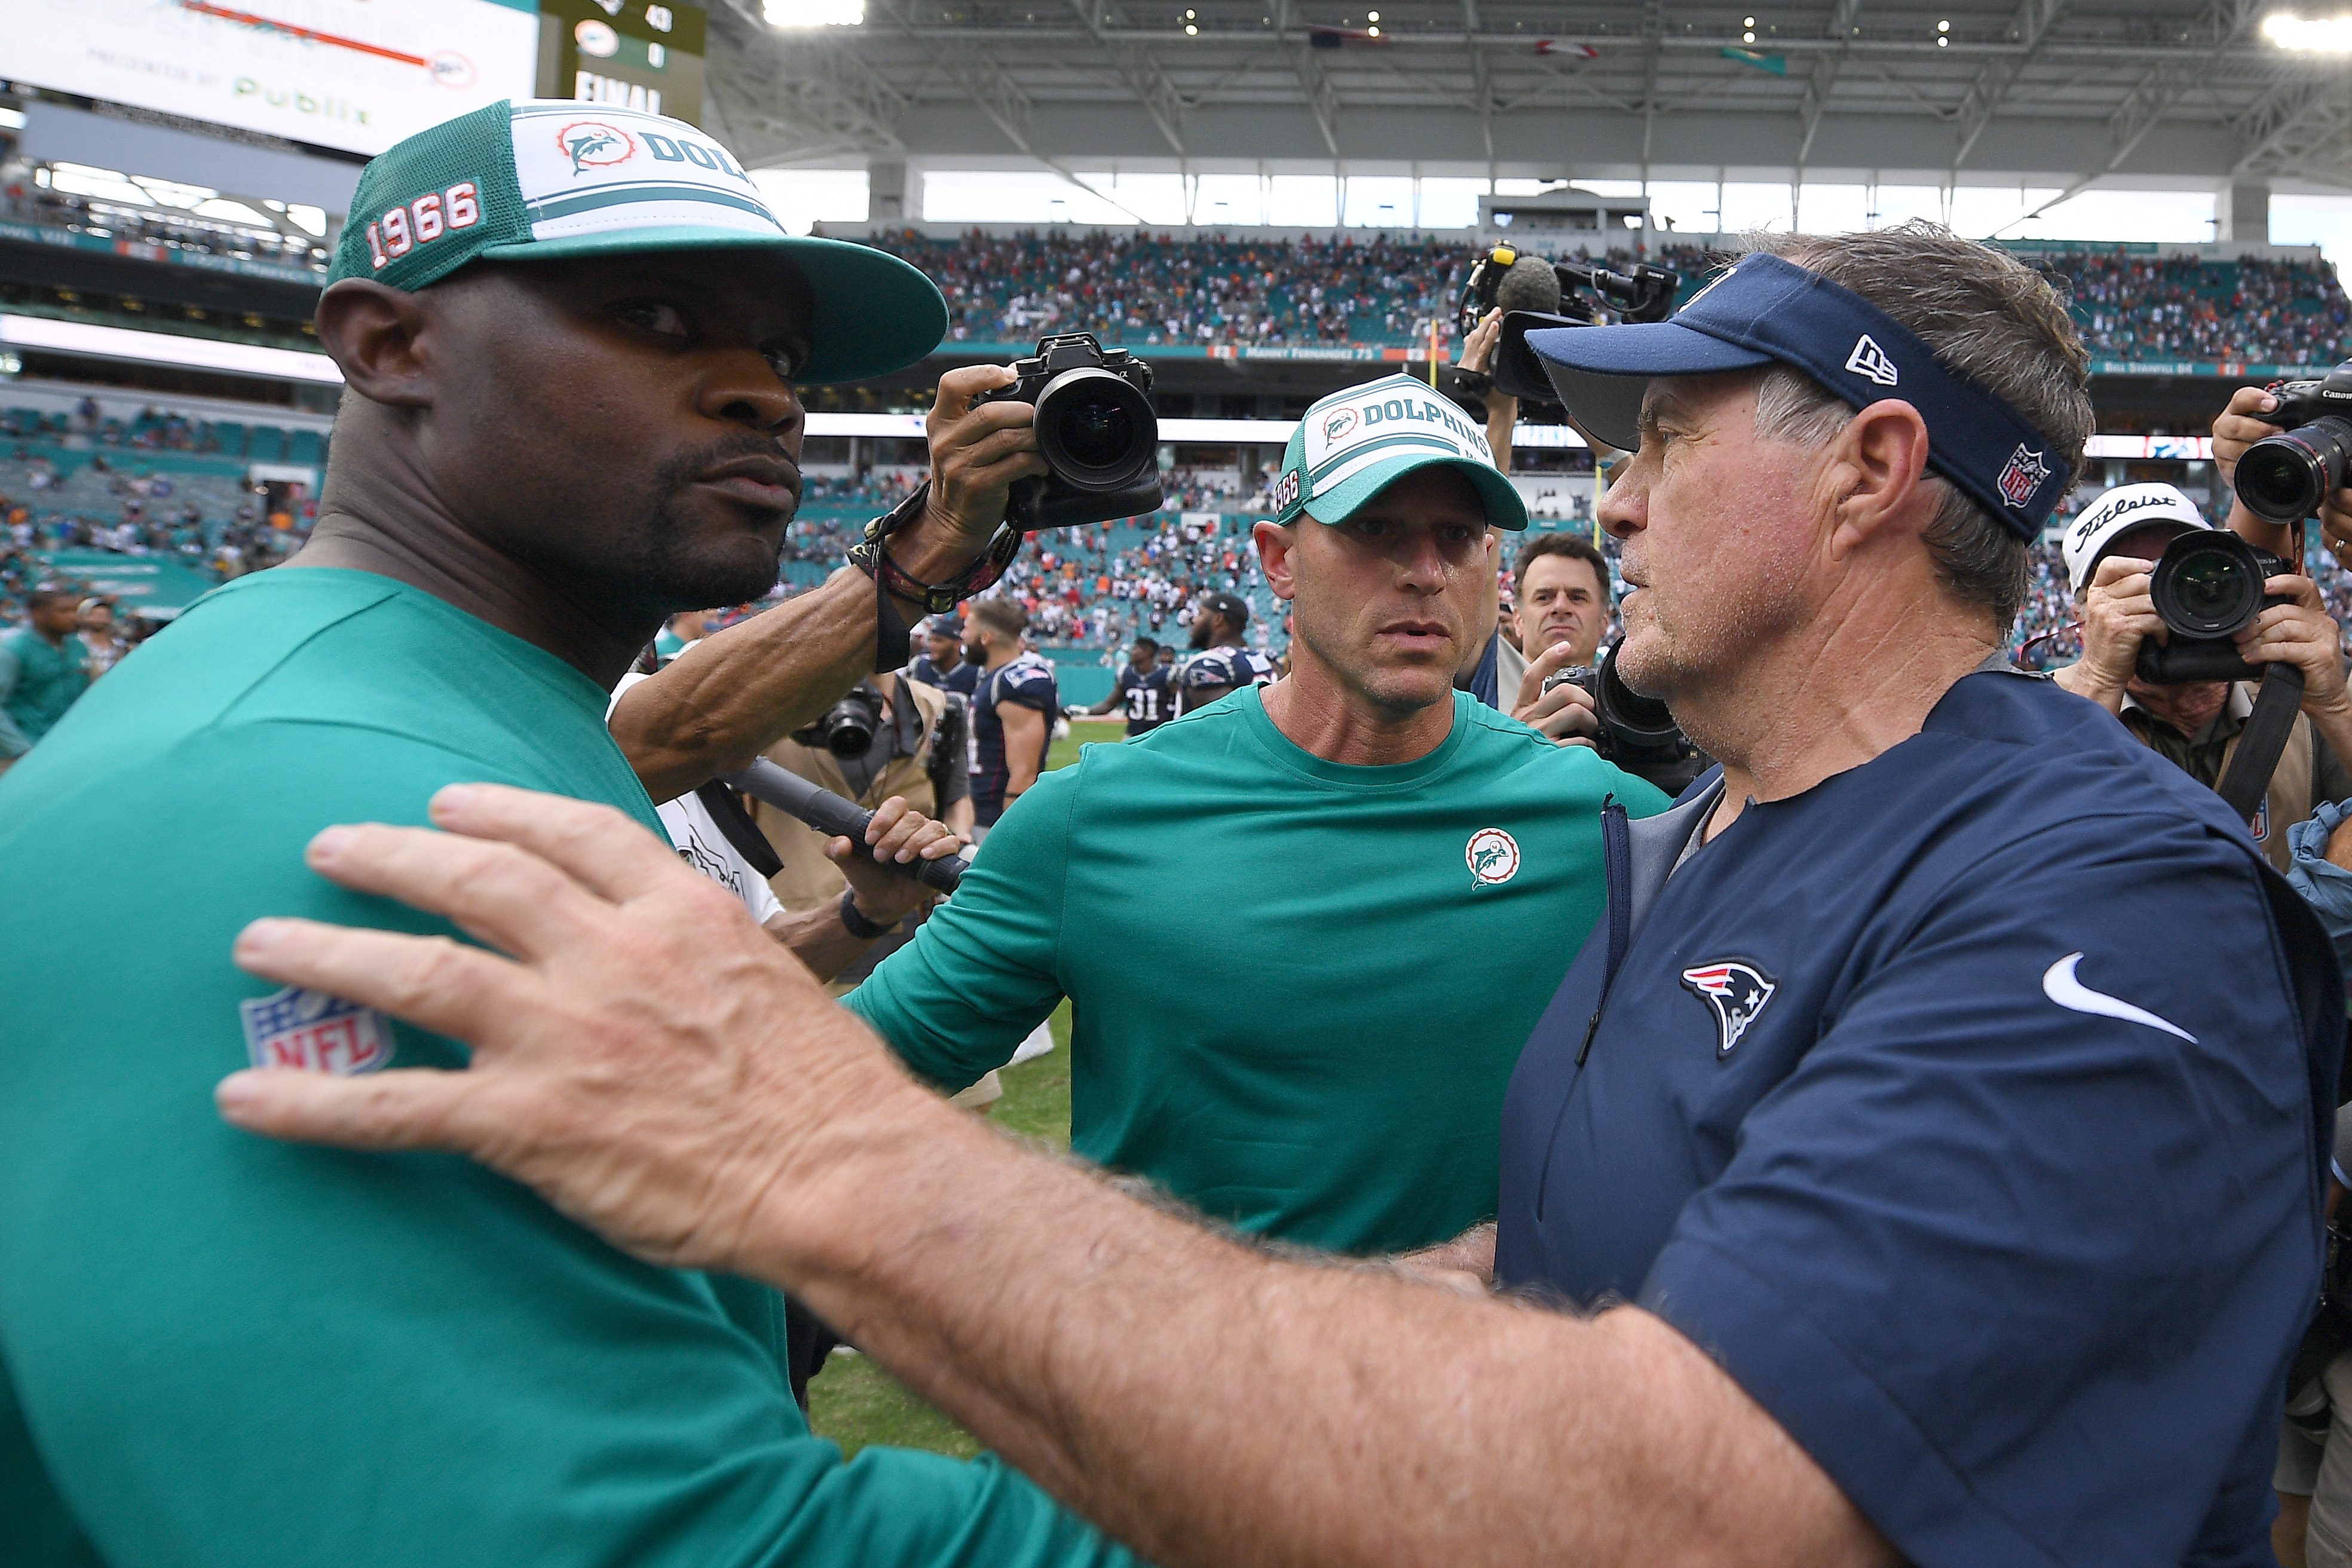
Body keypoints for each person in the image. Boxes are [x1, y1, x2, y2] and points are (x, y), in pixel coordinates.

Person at [218, 223, 2340, 1568]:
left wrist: (822, 1153)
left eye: (1665, 438)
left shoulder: (2094, 905)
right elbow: (1581, 1267)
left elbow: (1685, 1495)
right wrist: (1201, 1403)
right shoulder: (1698, 832)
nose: (1599, 498)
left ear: (1869, 475)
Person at [0, 100, 1133, 1568]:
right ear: (388, 344)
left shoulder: (435, 703)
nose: (765, 398)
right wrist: (1382, 1470)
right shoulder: (320, 801)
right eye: (656, 317)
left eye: (782, 360)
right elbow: (634, 1536)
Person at [836, 376, 1665, 1255]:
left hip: (1486, 1388)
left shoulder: (1612, 827)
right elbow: (836, 1082)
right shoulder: (1095, 820)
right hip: (1171, 1385)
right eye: (1374, 530)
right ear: (1278, 560)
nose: (1425, 573)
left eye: (1456, 537)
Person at [2053, 480, 2352, 868]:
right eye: (2136, 581)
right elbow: (2016, 855)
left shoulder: (2300, 703)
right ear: (2082, 616)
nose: (2166, 597)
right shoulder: (2038, 709)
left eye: (2187, 573)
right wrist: (2099, 682)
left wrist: (2335, 708)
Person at [965, 595, 1058, 835]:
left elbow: (1024, 771)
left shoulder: (1015, 681)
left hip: (996, 816)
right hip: (975, 808)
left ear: (986, 638)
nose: (963, 638)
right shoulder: (992, 677)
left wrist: (1010, 829)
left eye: (967, 629)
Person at [0, 586, 90, 774]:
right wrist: (22, 750)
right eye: (64, 611)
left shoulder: (78, 647)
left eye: (75, 610)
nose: (73, 617)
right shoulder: (14, 651)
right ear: (37, 614)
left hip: (68, 748)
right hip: (26, 752)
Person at [1172, 586, 1273, 714]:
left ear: (1218, 619)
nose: (1194, 620)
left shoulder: (1210, 663)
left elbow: (1215, 725)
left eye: (1201, 614)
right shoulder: (1259, 658)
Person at [1081, 634, 1172, 737]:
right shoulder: (1126, 674)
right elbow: (1109, 704)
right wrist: (1084, 711)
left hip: (1159, 735)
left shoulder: (1167, 675)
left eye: (1135, 649)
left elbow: (1178, 704)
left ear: (1148, 652)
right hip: (1133, 734)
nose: (1131, 652)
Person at [906, 612, 980, 698]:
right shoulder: (919, 665)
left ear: (957, 644)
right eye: (930, 640)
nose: (932, 645)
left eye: (939, 641)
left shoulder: (975, 672)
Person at [78, 595, 128, 677]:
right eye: (94, 615)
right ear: (82, 617)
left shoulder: (120, 645)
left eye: (105, 616)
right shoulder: (77, 643)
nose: (99, 620)